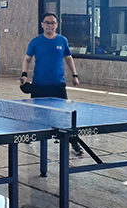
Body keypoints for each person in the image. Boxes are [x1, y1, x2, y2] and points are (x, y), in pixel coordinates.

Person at [20, 12, 83, 156]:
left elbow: (68, 58)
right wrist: (24, 74)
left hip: (58, 85)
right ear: (42, 24)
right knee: (37, 115)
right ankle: (30, 136)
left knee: (65, 116)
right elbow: (27, 59)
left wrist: (74, 75)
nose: (50, 25)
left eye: (52, 23)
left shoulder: (62, 40)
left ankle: (74, 144)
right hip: (39, 85)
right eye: (47, 23)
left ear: (57, 25)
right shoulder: (36, 42)